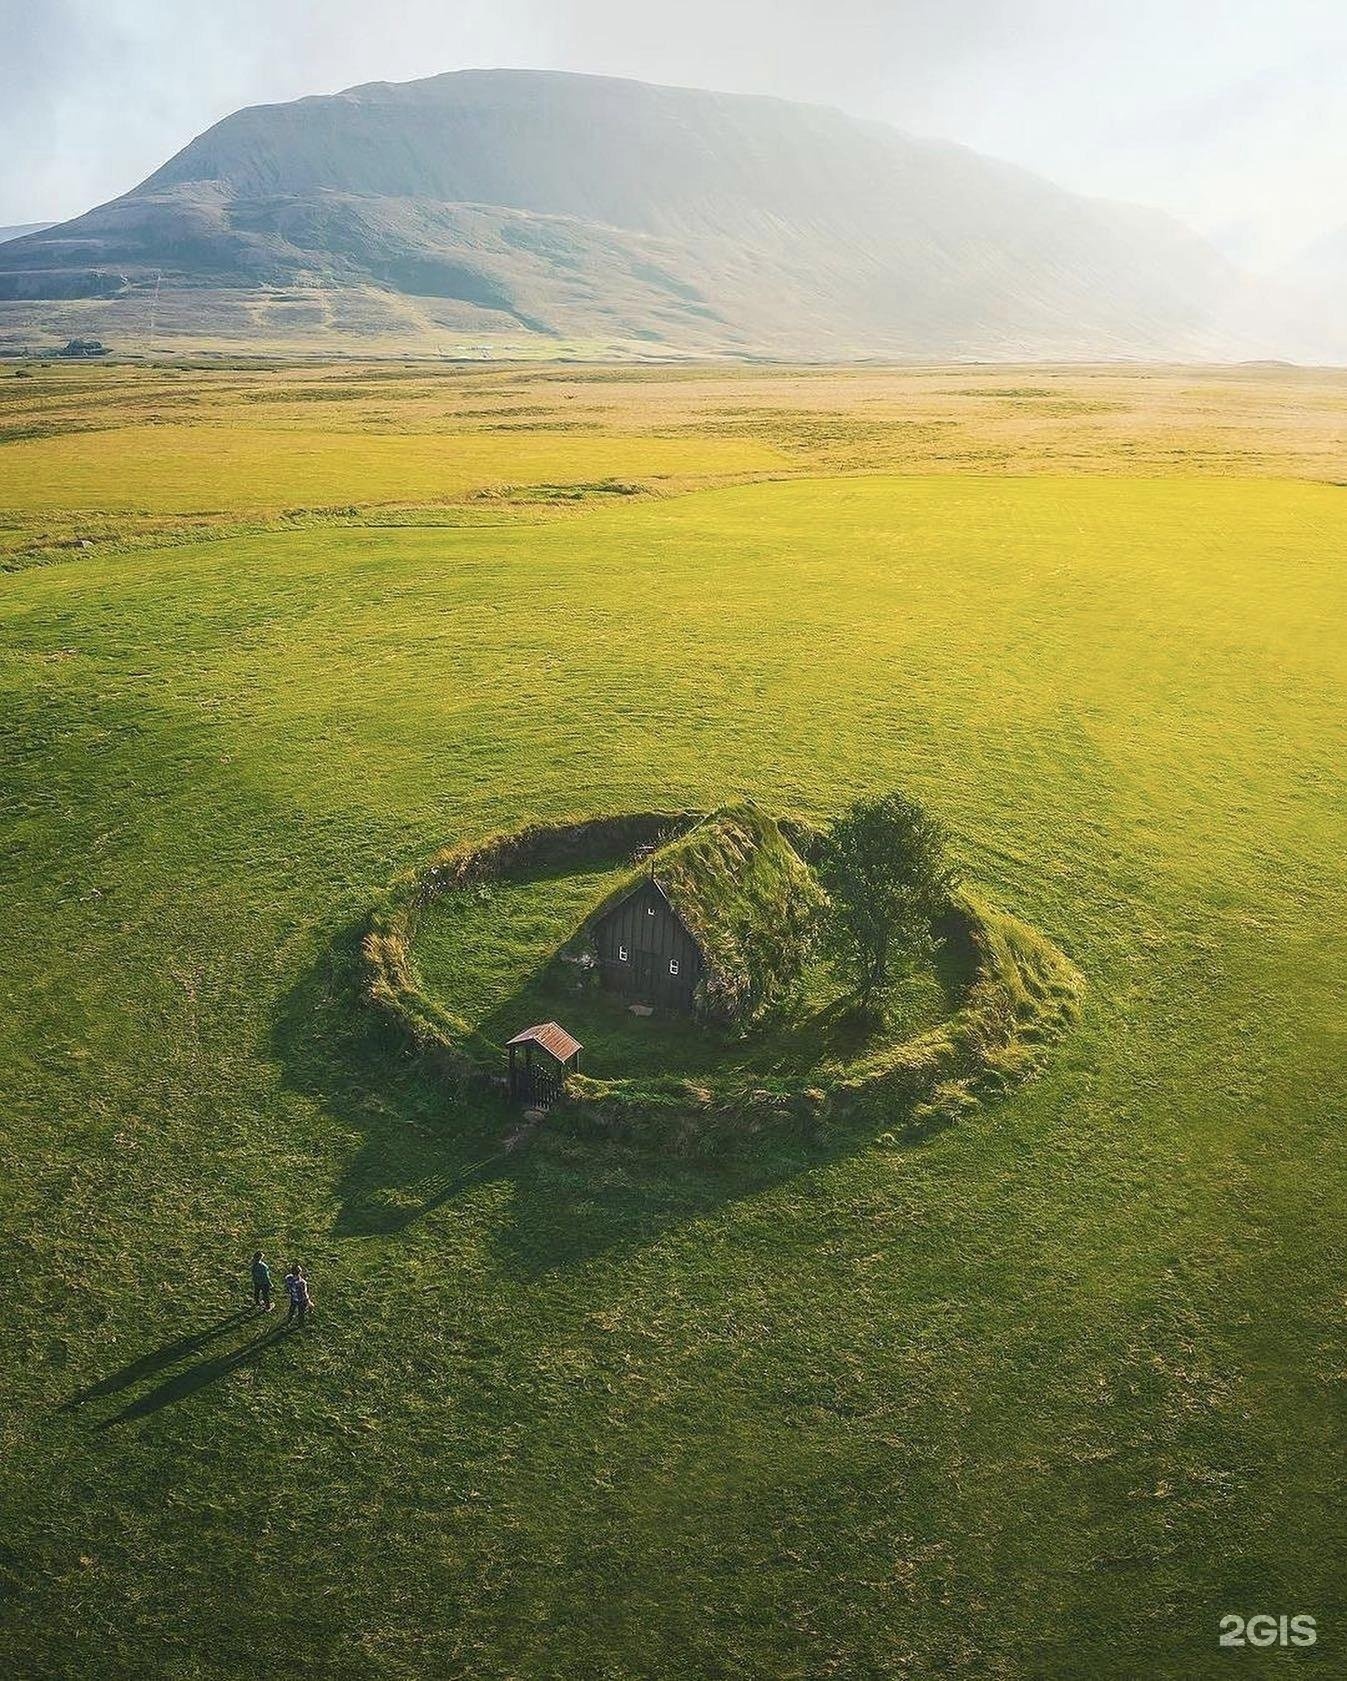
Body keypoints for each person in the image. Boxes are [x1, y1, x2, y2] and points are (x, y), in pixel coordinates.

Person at [284, 1262, 313, 1328]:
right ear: (300, 1272)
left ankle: (289, 1320)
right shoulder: (302, 1283)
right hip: (301, 1300)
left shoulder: (288, 1278)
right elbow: (304, 1294)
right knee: (301, 1313)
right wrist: (309, 1302)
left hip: (293, 1298)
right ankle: (300, 1324)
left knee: (292, 1309)